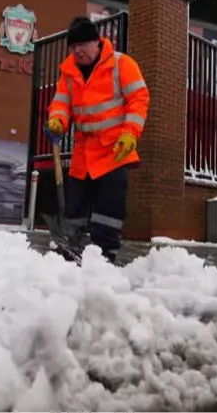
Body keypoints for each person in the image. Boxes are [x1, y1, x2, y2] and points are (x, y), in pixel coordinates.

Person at [46, 16, 149, 263]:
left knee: (108, 208)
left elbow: (139, 99)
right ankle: (71, 249)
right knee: (75, 206)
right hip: (84, 150)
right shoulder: (68, 72)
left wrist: (130, 133)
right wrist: (57, 120)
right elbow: (61, 102)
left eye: (82, 45)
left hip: (115, 149)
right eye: (72, 47)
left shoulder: (121, 64)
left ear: (97, 42)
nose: (77, 51)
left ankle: (105, 256)